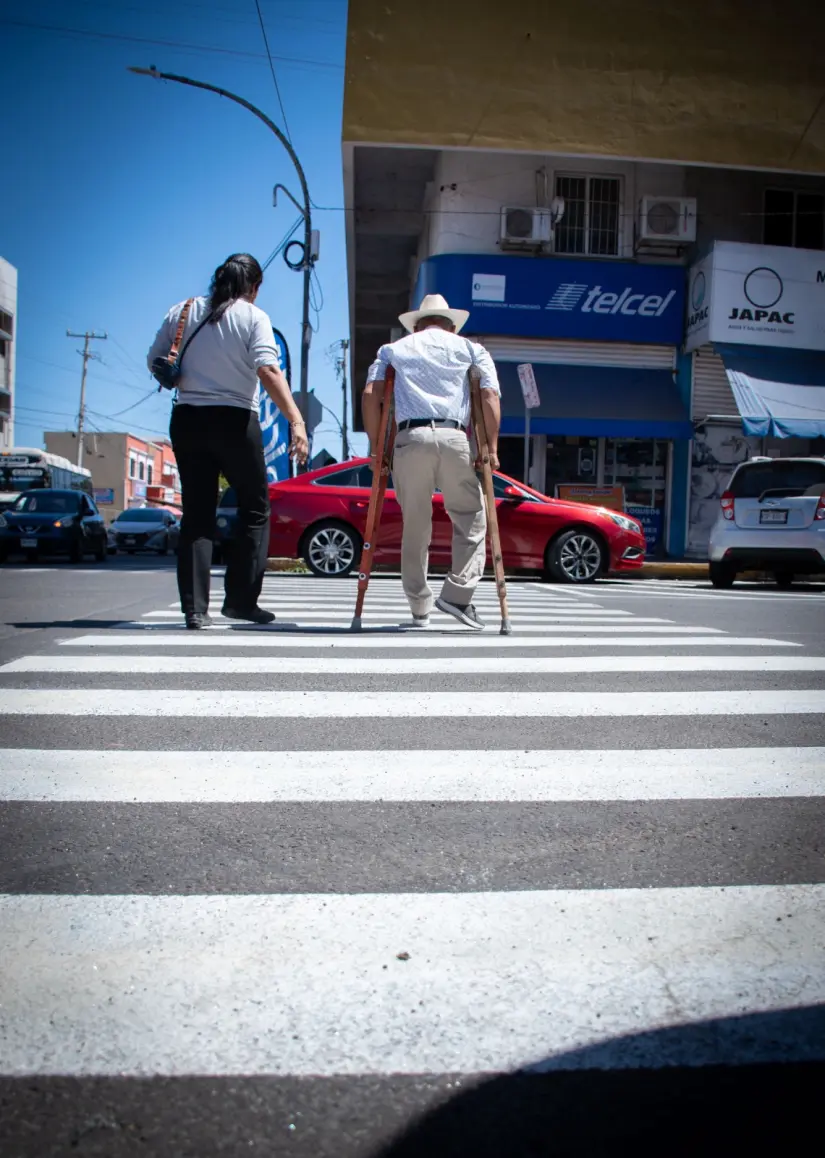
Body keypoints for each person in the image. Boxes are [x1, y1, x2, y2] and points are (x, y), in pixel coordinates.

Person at [147, 253, 308, 630]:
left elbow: (155, 359)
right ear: (254, 286)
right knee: (254, 508)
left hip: (187, 418)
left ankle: (194, 609)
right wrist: (295, 420)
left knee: (197, 513)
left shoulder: (182, 311)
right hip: (236, 420)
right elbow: (268, 369)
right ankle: (240, 602)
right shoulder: (254, 317)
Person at [361, 293, 501, 631]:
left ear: (417, 324)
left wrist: (375, 447)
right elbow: (488, 396)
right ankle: (457, 593)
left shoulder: (393, 349)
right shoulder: (471, 349)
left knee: (416, 526)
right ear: (452, 325)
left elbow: (372, 394)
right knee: (470, 517)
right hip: (454, 438)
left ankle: (419, 608)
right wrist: (491, 447)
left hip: (411, 439)